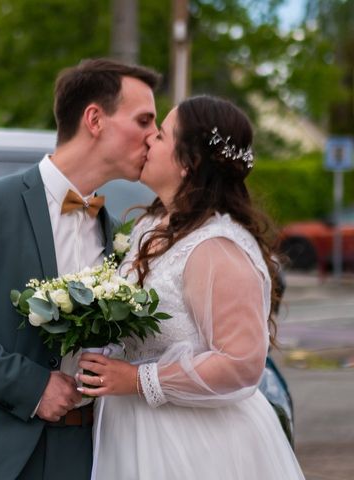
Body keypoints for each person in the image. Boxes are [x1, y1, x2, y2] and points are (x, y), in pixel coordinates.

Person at [0, 58, 160, 480]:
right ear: (95, 119)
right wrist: (33, 386)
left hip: (86, 455)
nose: (154, 136)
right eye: (144, 120)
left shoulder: (117, 234)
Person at [77, 95, 305, 479]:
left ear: (189, 162)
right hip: (132, 432)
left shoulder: (216, 247)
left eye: (162, 135)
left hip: (193, 445)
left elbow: (241, 364)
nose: (149, 139)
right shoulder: (154, 226)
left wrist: (137, 380)